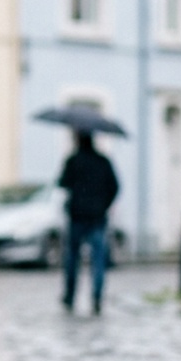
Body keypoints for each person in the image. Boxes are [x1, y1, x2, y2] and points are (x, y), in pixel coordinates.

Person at [58, 131, 119, 315]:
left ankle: (70, 295)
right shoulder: (103, 161)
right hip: (97, 217)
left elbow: (62, 183)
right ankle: (97, 297)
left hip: (77, 216)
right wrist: (104, 204)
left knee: (72, 258)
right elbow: (114, 187)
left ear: (78, 140)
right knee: (98, 259)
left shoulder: (73, 160)